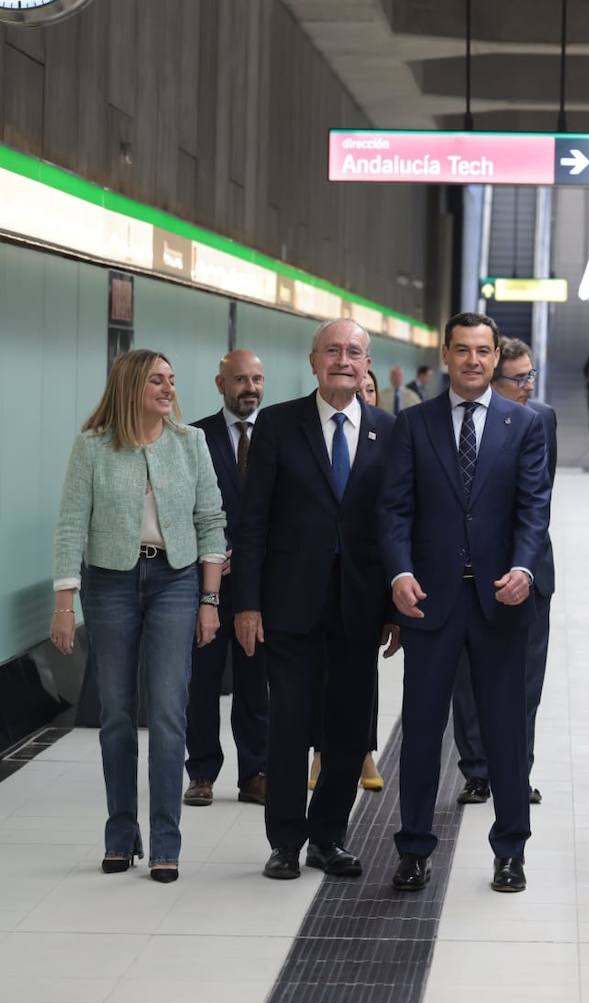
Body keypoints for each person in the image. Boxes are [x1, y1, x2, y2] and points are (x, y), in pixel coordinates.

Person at [380, 312, 551, 895]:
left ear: (496, 355)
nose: (474, 360)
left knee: (506, 734)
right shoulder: (414, 424)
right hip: (430, 602)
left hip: (500, 603)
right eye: (463, 350)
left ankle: (510, 852)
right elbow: (396, 510)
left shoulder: (524, 424)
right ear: (447, 355)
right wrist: (399, 572)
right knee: (423, 733)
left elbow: (534, 507)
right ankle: (413, 849)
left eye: (484, 351)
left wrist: (525, 568)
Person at [231, 319, 398, 881]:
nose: (343, 360)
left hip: (360, 607)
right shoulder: (279, 425)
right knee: (290, 726)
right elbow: (252, 523)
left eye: (354, 352)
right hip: (290, 606)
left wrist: (396, 609)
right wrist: (247, 603)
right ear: (312, 361)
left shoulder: (388, 431)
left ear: (367, 363)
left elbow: (396, 525)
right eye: (333, 350)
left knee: (347, 730)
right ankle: (285, 840)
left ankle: (329, 838)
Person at [51, 350, 225, 882]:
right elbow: (70, 524)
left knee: (170, 713)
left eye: (171, 380)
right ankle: (121, 833)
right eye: (157, 380)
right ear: (131, 385)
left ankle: (167, 841)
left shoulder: (189, 443)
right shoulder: (93, 447)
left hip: (175, 580)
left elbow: (211, 521)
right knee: (118, 716)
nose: (168, 388)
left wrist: (209, 599)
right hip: (110, 584)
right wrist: (64, 603)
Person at [451, 337, 556, 807]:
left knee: (524, 683)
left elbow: (538, 500)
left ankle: (517, 770)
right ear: (491, 378)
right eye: (519, 379)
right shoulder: (460, 425)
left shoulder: (541, 420)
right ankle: (476, 771)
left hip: (529, 572)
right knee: (469, 680)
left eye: (531, 375)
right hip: (469, 572)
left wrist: (524, 564)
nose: (528, 386)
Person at [184, 349, 269, 808]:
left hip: (261, 584)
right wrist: (211, 556)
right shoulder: (195, 436)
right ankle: (201, 772)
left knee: (257, 680)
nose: (249, 388)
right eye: (240, 380)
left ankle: (255, 771)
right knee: (203, 680)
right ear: (221, 384)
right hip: (208, 584)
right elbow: (184, 508)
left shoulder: (277, 434)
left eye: (256, 379)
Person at [309, 359, 385, 795]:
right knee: (316, 674)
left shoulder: (388, 433)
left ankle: (363, 749)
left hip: (363, 583)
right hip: (310, 584)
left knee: (361, 678)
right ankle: (320, 748)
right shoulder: (297, 426)